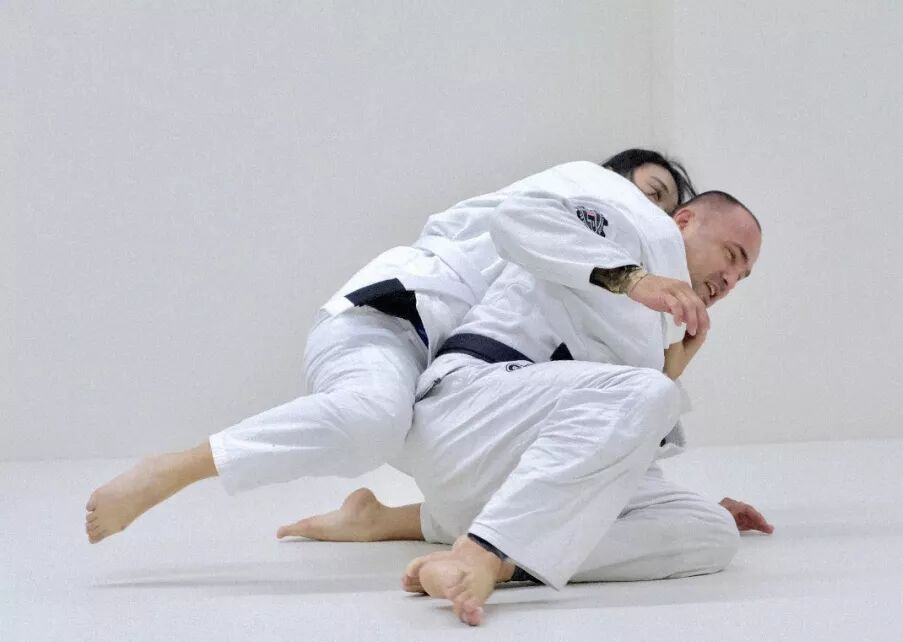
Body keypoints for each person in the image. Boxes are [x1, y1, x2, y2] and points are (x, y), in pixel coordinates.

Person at [84, 149, 695, 544]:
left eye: (668, 209)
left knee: (526, 485)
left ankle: (379, 521)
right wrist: (634, 280)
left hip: (443, 380)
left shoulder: (601, 294)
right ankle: (174, 469)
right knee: (371, 421)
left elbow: (594, 428)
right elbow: (525, 225)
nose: (657, 218)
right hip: (390, 324)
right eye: (653, 193)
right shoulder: (573, 202)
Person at [385, 187, 764, 625]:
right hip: (468, 408)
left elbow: (592, 448)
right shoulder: (630, 231)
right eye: (731, 256)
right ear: (682, 222)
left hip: (501, 475)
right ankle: (480, 552)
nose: (731, 281)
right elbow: (517, 215)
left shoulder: (655, 325)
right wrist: (634, 281)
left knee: (711, 531)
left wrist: (669, 369)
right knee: (648, 392)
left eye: (743, 277)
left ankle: (502, 559)